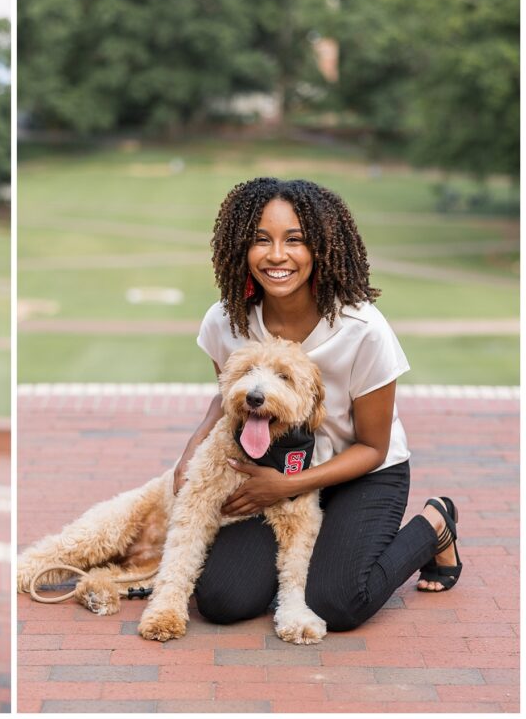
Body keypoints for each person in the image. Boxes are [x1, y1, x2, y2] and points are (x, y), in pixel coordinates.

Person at [171, 177, 462, 632]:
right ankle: (316, 548)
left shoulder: (362, 328)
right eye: (260, 240)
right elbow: (230, 402)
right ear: (240, 248)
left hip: (362, 471)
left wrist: (288, 486)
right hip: (270, 470)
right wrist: (194, 445)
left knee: (338, 602)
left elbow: (373, 447)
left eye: (295, 240)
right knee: (222, 600)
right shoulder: (225, 321)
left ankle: (434, 526)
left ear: (322, 248)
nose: (276, 255)